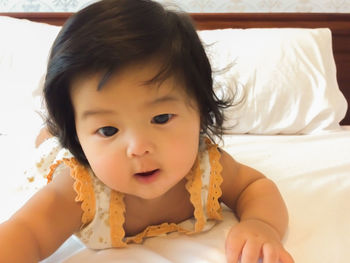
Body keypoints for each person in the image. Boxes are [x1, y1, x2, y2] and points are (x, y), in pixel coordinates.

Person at [0, 0, 294, 262]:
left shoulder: (208, 169)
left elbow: (255, 187)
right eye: (108, 129)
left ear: (201, 110)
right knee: (49, 143)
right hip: (67, 152)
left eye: (162, 118)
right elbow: (28, 232)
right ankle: (53, 130)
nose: (138, 147)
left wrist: (261, 225)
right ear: (78, 136)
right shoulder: (80, 192)